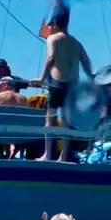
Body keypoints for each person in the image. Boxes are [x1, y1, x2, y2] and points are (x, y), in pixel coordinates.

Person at [37, 12, 94, 162]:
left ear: (54, 24)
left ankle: (47, 155)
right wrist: (91, 78)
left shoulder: (52, 39)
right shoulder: (76, 42)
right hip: (73, 85)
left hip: (57, 83)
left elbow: (51, 57)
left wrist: (42, 78)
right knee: (66, 122)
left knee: (50, 120)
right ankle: (63, 156)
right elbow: (86, 62)